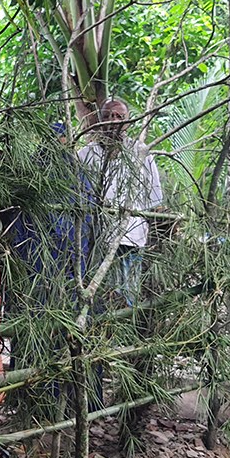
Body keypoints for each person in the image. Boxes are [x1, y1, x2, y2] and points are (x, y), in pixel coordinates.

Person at [78, 98, 163, 305]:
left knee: (126, 298)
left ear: (127, 122)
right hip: (95, 238)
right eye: (107, 116)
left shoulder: (140, 153)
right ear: (98, 120)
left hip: (130, 238)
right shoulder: (85, 155)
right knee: (96, 297)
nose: (112, 121)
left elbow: (154, 200)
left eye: (118, 117)